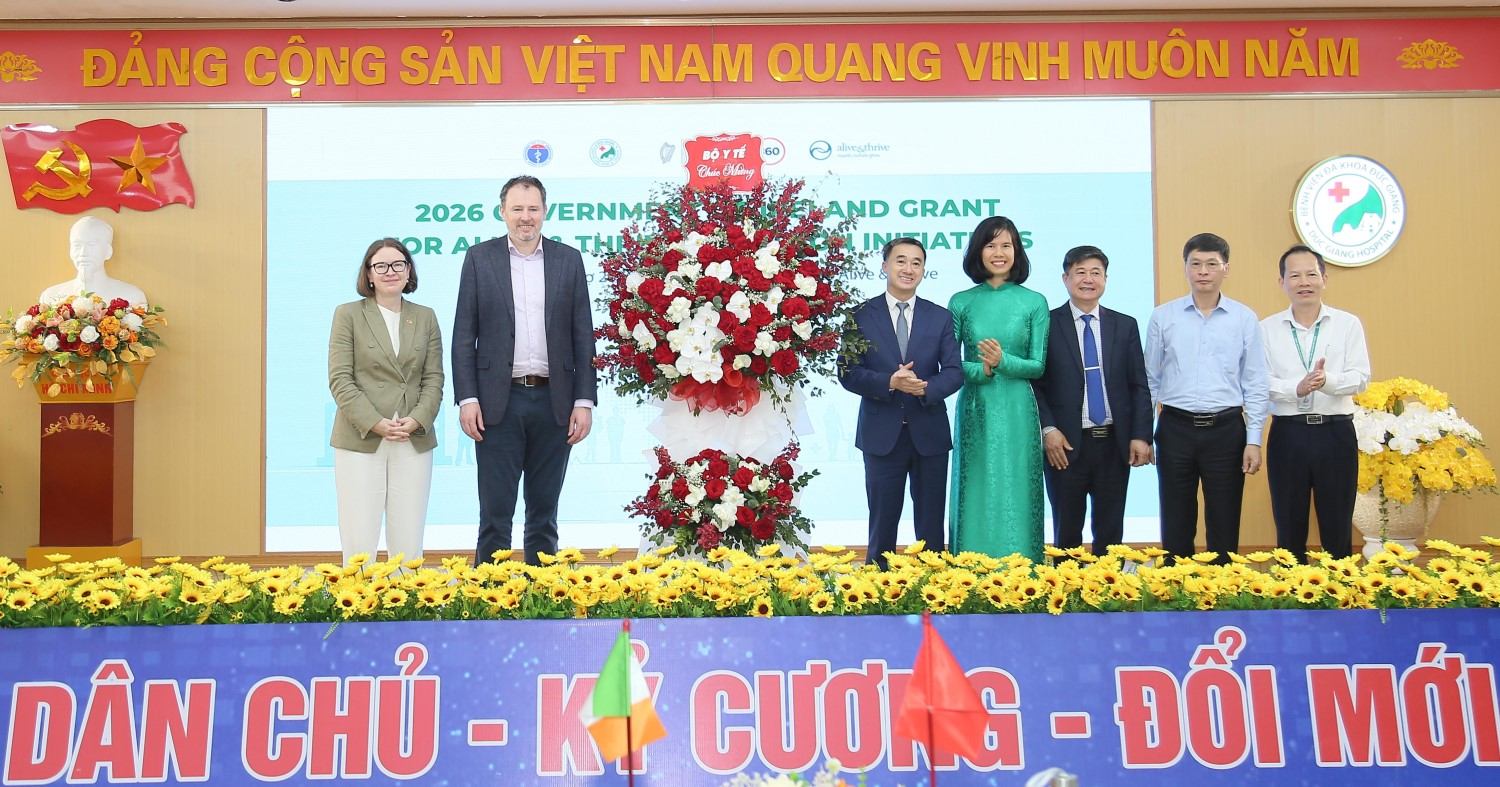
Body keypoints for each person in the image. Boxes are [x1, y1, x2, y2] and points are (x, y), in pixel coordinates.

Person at [452, 175, 596, 566]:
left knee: (544, 516)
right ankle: (489, 595)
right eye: (517, 209)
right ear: (502, 212)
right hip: (497, 404)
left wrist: (584, 400)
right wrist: (468, 398)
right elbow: (464, 335)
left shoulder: (568, 259)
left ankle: (541, 596)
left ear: (545, 211)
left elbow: (583, 335)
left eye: (533, 208)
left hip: (556, 402)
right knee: (495, 515)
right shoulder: (479, 259)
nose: (525, 217)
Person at [839, 238, 964, 570]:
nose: (909, 269)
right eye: (901, 261)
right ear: (885, 266)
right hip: (881, 435)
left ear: (923, 270)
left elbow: (955, 371)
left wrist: (924, 388)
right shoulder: (860, 316)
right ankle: (878, 588)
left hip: (930, 434)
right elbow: (848, 372)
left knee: (931, 525)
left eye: (916, 263)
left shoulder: (940, 317)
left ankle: (935, 588)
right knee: (882, 524)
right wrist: (890, 382)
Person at [1145, 233, 1269, 565]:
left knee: (1224, 522)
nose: (1203, 271)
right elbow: (1150, 379)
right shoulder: (1163, 316)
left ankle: (1223, 588)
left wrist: (1254, 440)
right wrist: (1144, 433)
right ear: (1185, 267)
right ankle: (1177, 586)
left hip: (1226, 430)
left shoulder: (1244, 318)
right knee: (1176, 520)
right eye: (1196, 263)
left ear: (1226, 268)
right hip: (1175, 427)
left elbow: (1256, 382)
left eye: (1212, 264)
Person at [328, 238, 445, 565]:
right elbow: (340, 379)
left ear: (408, 271)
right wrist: (375, 422)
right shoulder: (348, 314)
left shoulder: (425, 316)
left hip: (412, 435)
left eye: (398, 264)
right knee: (358, 535)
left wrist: (417, 419)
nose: (390, 271)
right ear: (368, 274)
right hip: (361, 435)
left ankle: (406, 593)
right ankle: (358, 593)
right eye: (380, 265)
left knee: (409, 535)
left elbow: (434, 378)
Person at [1032, 246, 1153, 554]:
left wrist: (1141, 435)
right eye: (1080, 272)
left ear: (1105, 279)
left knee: (1110, 533)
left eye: (1096, 273)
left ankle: (1108, 585)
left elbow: (1138, 385)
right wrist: (1048, 429)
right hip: (1064, 445)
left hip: (1113, 444)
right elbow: (1035, 385)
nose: (1088, 280)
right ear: (1065, 279)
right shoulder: (1046, 324)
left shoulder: (1125, 325)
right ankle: (1067, 586)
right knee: (1067, 532)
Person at [947, 216, 1050, 561]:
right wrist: (984, 368)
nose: (999, 253)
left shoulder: (1034, 302)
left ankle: (1023, 568)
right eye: (991, 245)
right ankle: (970, 568)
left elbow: (1037, 365)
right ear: (978, 251)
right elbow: (950, 365)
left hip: (1019, 408)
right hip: (977, 406)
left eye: (1007, 245)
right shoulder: (961, 302)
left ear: (1017, 251)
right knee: (976, 485)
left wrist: (1004, 361)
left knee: (1017, 484)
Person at [1261, 245, 1370, 563]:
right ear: (1281, 282)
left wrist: (1328, 381)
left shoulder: (1347, 324)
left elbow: (1361, 377)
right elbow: (1258, 382)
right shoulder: (1266, 328)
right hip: (1288, 433)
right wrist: (1295, 388)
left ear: (1324, 279)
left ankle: (1341, 588)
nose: (1304, 282)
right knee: (1288, 524)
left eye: (1311, 274)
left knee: (1337, 525)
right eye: (1294, 275)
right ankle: (1291, 588)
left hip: (1335, 433)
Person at [40, 217, 147, 305]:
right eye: (77, 245)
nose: (83, 253)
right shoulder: (50, 297)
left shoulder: (132, 297)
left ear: (108, 251)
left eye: (91, 245)